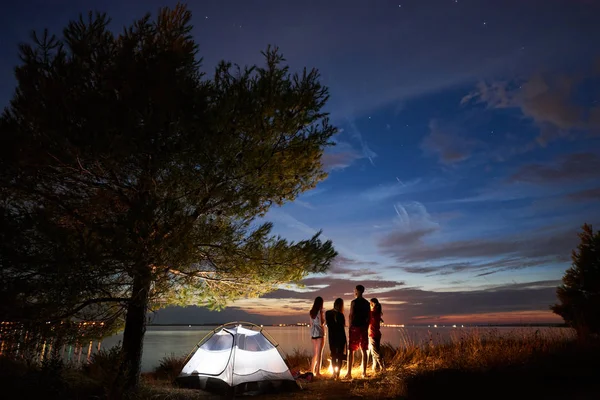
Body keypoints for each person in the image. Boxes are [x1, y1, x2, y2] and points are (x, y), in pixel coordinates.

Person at [345, 285, 370, 379]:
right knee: (364, 350)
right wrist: (366, 327)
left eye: (355, 290)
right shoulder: (367, 303)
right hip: (363, 328)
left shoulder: (354, 302)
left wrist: (350, 326)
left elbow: (351, 315)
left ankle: (349, 373)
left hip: (355, 327)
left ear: (357, 291)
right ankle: (363, 373)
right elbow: (368, 318)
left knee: (351, 350)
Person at [325, 298, 347, 379]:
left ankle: (334, 373)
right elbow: (342, 326)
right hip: (341, 337)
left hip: (332, 337)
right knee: (340, 356)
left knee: (334, 355)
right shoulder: (341, 315)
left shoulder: (328, 313)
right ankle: (337, 374)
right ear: (341, 305)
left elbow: (328, 324)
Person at [309, 296, 325, 377]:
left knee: (315, 353)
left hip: (313, 333)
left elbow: (311, 324)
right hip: (319, 332)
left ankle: (312, 370)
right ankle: (318, 372)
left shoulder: (311, 312)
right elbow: (320, 323)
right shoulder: (320, 311)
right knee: (319, 353)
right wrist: (324, 321)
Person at [368, 298, 384, 372]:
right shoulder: (378, 313)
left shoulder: (372, 313)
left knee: (375, 352)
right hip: (377, 334)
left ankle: (382, 367)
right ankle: (374, 368)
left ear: (372, 304)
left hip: (372, 335)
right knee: (374, 351)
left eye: (370, 304)